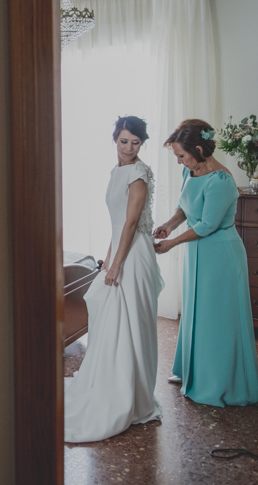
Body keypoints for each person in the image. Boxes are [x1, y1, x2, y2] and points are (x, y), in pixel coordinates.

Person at [153, 119, 258, 407]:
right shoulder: (190, 171)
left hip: (220, 254)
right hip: (198, 252)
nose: (179, 161)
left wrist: (172, 243)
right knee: (196, 310)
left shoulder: (222, 180)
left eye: (181, 155)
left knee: (216, 316)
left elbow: (207, 224)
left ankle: (217, 380)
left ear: (198, 148)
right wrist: (169, 225)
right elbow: (185, 206)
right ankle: (191, 370)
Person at [64, 116, 165, 443]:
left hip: (135, 258)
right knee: (113, 321)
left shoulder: (138, 173)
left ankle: (132, 396)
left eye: (136, 143)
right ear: (115, 140)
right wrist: (107, 259)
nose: (129, 148)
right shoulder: (117, 171)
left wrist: (117, 264)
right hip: (121, 251)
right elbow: (116, 222)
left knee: (132, 324)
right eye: (124, 141)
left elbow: (132, 223)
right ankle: (114, 383)